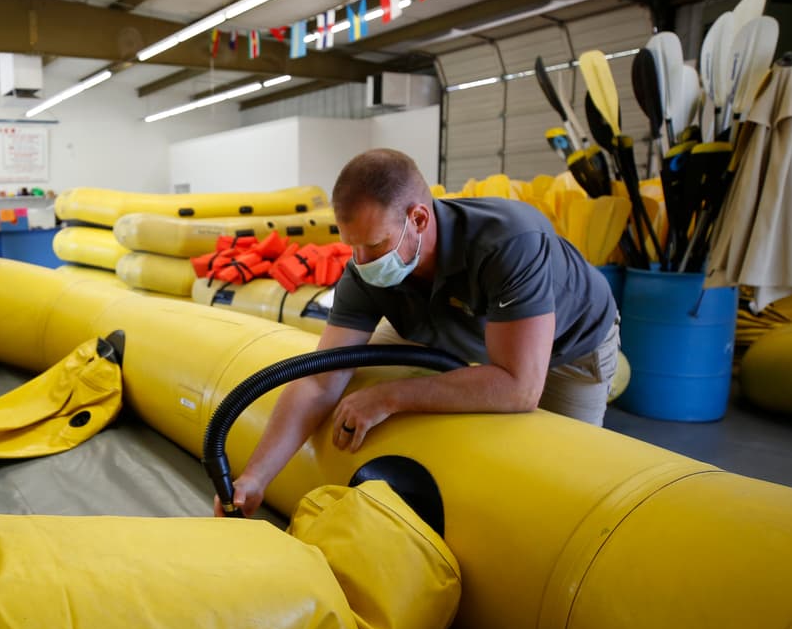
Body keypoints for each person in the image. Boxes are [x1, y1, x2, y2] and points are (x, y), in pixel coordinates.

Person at [217, 148, 619, 518]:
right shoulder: (367, 270)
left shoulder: (509, 241)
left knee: (561, 482)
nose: (362, 262)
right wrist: (255, 478)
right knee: (357, 382)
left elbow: (519, 386)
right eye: (352, 246)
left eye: (375, 244)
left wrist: (389, 396)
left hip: (571, 345)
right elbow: (322, 380)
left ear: (419, 219)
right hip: (449, 326)